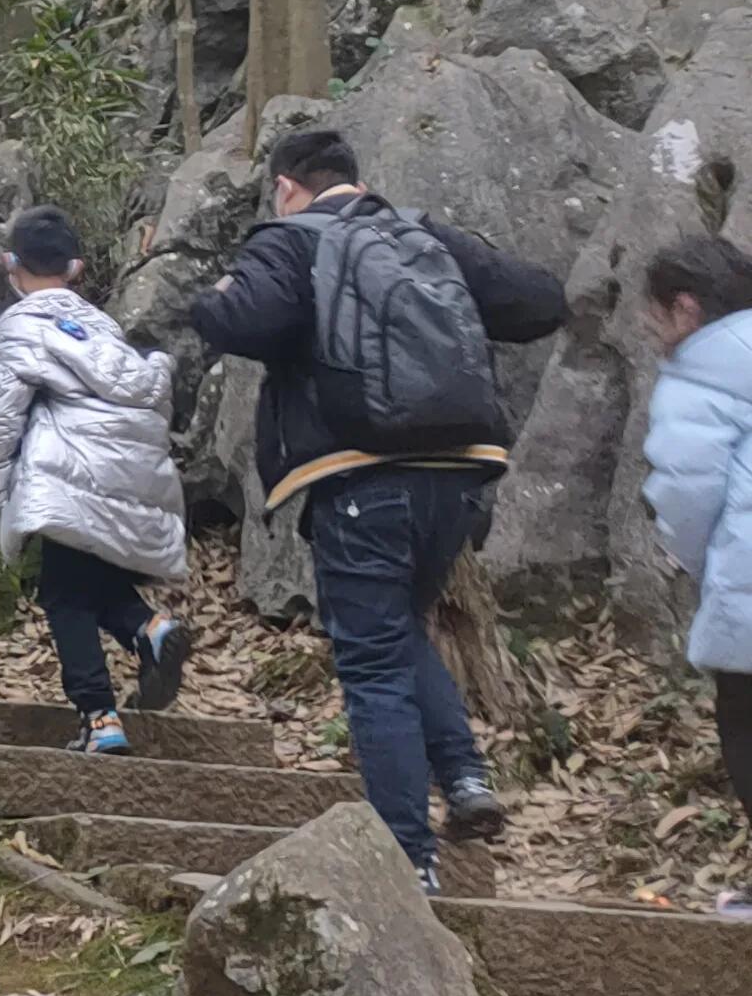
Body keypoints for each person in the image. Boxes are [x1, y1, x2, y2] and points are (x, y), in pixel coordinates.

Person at [191, 119, 565, 887]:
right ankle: (463, 779)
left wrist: (213, 292)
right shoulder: (423, 235)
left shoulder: (291, 239)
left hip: (362, 476)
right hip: (458, 478)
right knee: (399, 632)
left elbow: (239, 320)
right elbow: (539, 302)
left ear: (286, 188)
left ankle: (408, 860)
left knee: (371, 665)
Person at [0, 205, 191, 754]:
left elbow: (1, 414)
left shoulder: (23, 327)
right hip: (120, 478)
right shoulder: (104, 331)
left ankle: (99, 717)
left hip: (65, 476)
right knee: (87, 581)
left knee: (64, 597)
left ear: (10, 265)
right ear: (75, 268)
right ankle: (149, 629)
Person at [636, 231, 752, 912]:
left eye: (653, 314)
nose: (652, 330)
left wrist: (688, 556)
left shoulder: (701, 370)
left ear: (684, 308)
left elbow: (685, 489)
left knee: (743, 723)